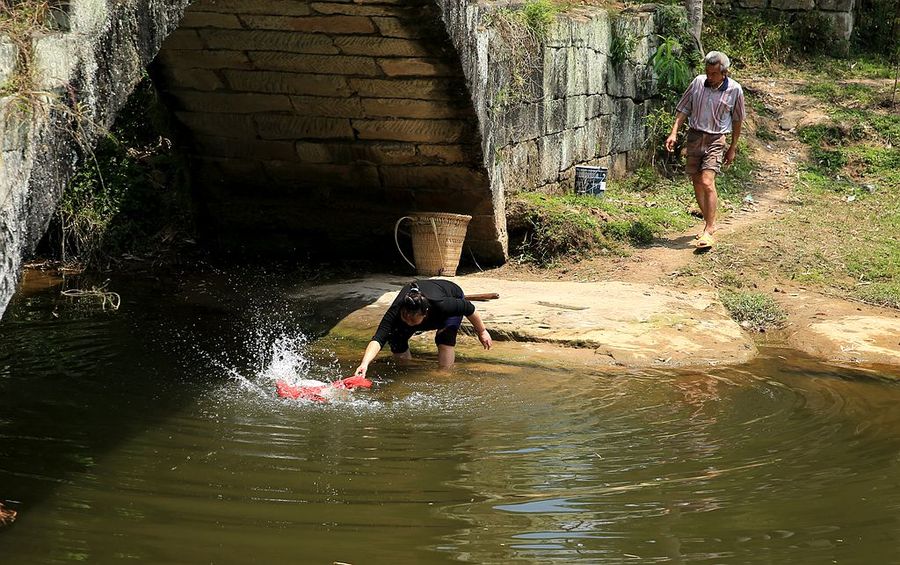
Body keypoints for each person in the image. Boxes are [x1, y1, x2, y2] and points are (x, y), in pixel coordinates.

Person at [665, 51, 746, 249]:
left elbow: (737, 120)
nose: (709, 77)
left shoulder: (735, 90)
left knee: (707, 181)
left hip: (716, 139)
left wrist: (733, 147)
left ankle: (709, 228)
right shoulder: (697, 83)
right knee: (696, 180)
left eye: (713, 74)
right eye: (707, 72)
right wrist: (674, 132)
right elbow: (683, 108)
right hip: (695, 136)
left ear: (724, 73)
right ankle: (709, 222)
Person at [354, 279, 492, 376]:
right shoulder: (396, 311)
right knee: (396, 339)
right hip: (418, 304)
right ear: (402, 311)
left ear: (425, 314)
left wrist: (482, 331)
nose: (409, 322)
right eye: (405, 318)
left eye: (413, 320)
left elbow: (469, 308)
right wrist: (364, 363)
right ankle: (406, 370)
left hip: (451, 292)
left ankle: (445, 373)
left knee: (444, 339)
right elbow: (378, 338)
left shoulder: (443, 305)